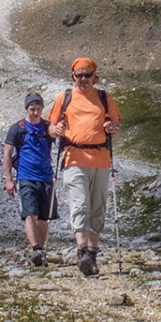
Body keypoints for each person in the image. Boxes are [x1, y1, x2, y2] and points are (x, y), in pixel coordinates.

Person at [48, 57, 121, 277]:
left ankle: (92, 254)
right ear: (73, 77)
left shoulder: (104, 98)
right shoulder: (65, 98)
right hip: (73, 157)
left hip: (100, 158)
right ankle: (82, 254)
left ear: (94, 77)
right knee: (79, 204)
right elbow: (51, 127)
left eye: (87, 75)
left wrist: (112, 127)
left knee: (98, 208)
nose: (83, 79)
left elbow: (116, 124)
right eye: (79, 75)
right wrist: (56, 130)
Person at [2, 94, 55, 267]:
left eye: (38, 109)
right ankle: (36, 249)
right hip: (26, 177)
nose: (35, 112)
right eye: (32, 109)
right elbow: (7, 154)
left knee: (44, 218)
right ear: (27, 109)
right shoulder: (18, 128)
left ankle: (41, 250)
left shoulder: (48, 127)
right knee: (30, 214)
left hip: (46, 178)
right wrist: (9, 180)